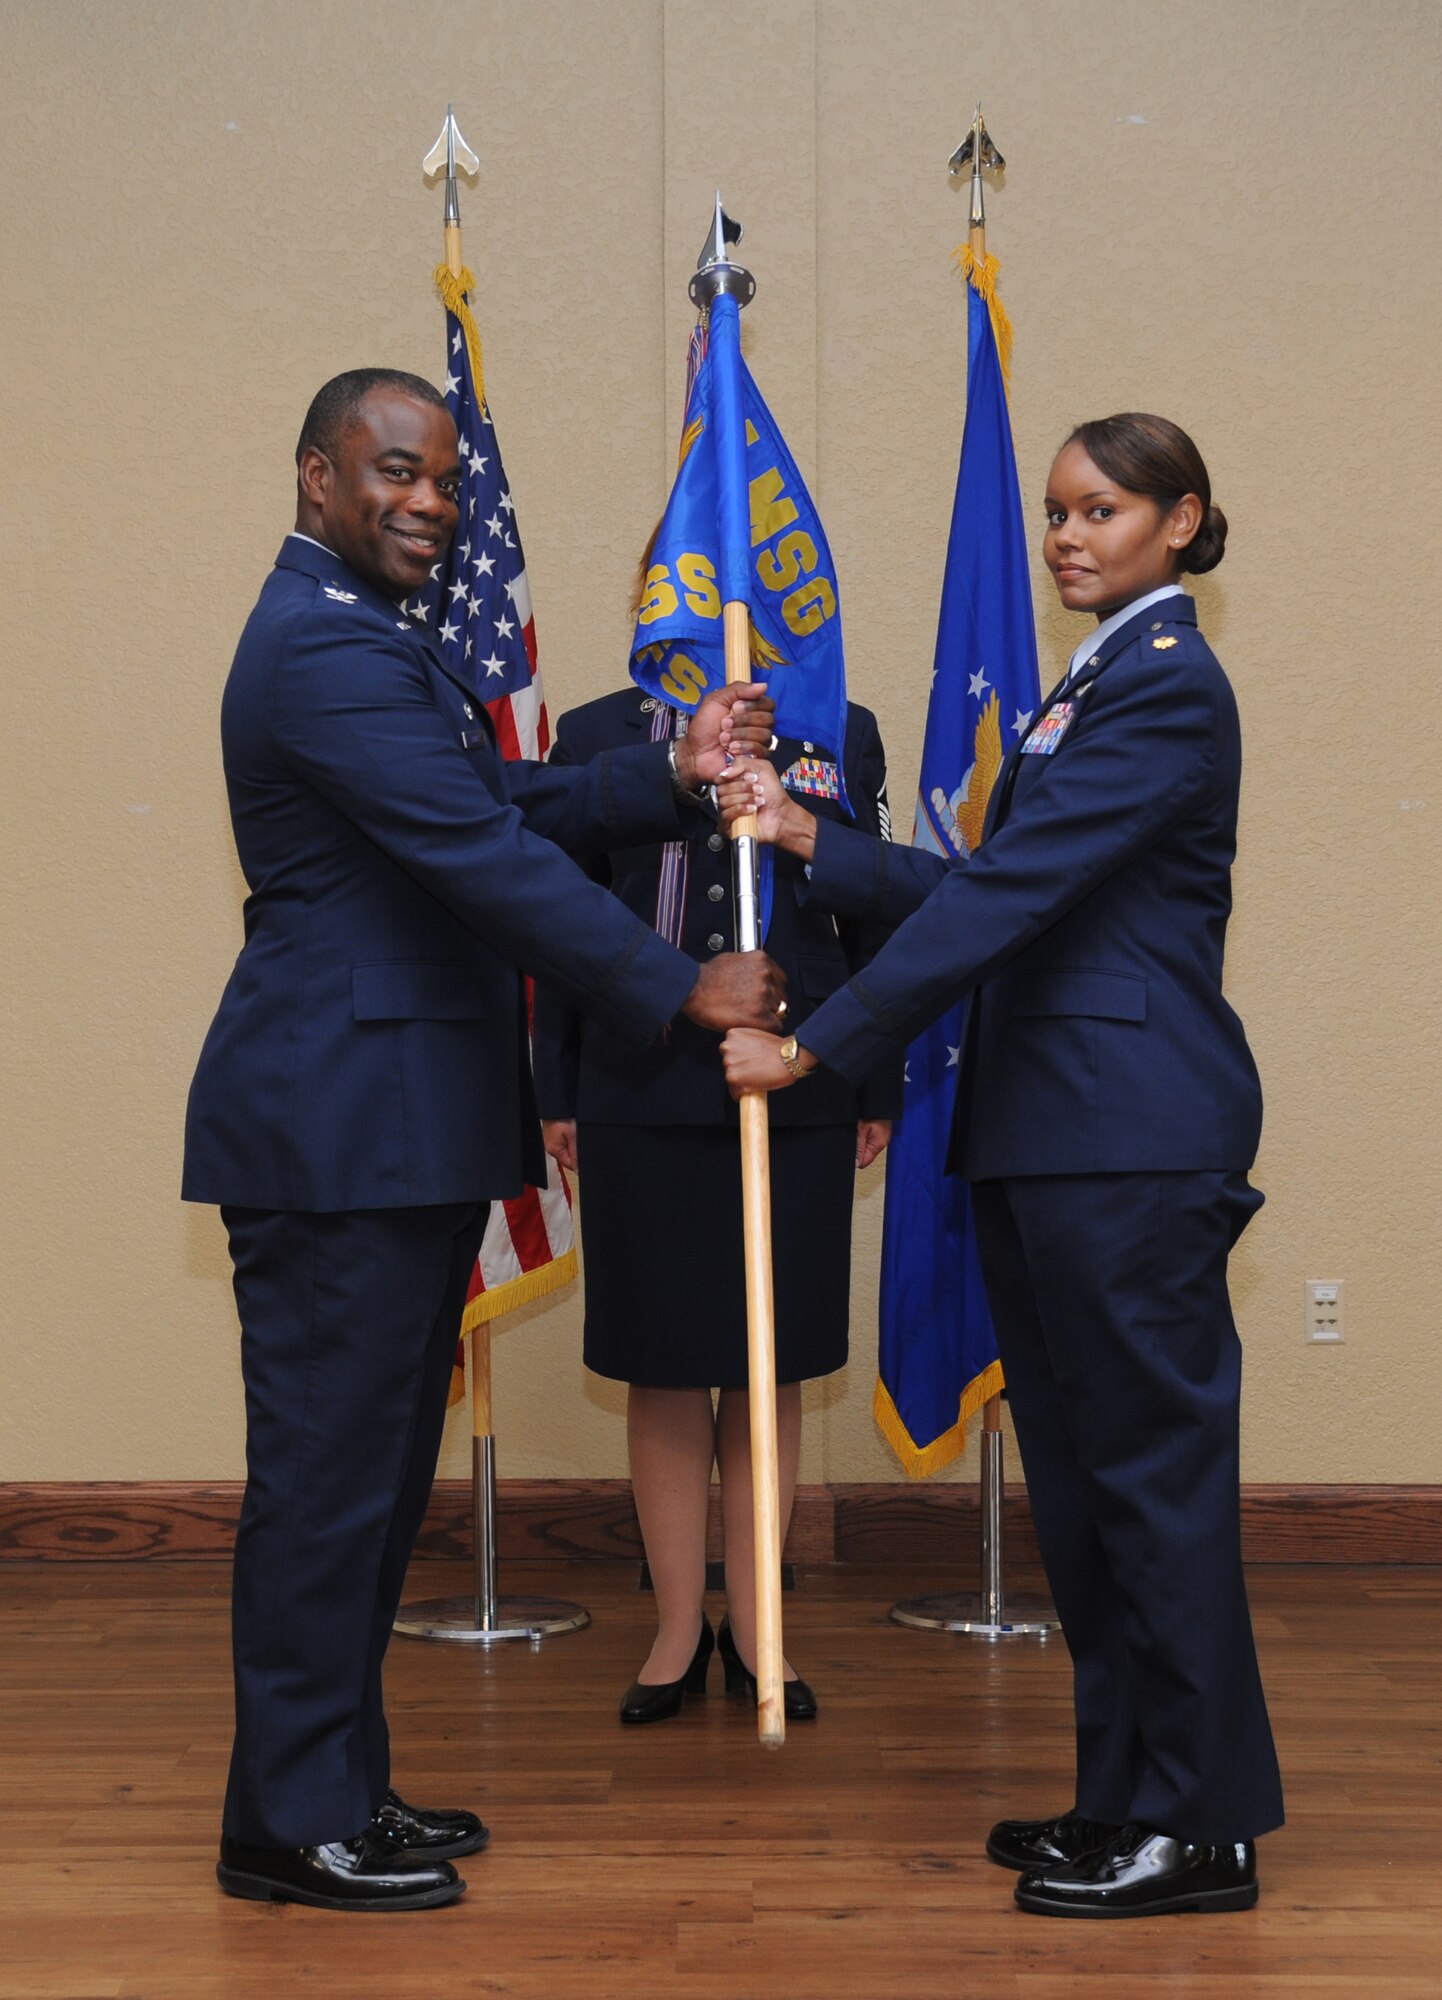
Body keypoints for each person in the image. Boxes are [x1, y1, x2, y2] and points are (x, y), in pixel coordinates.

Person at [182, 368, 785, 1913]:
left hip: (392, 1122)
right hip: (339, 1124)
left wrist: (656, 770)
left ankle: (334, 1787)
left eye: (445, 480)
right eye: (396, 472)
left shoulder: (365, 642)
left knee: (373, 1484)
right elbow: (475, 856)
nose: (431, 503)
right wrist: (676, 987)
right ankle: (289, 1823)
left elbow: (493, 796)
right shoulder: (320, 645)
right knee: (329, 1482)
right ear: (316, 475)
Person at [718, 414, 1283, 1919]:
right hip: (1052, 1131)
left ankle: (1201, 1823)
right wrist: (805, 834)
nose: (1066, 538)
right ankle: (1121, 1800)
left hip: (1128, 1131)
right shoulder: (1088, 685)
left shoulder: (1165, 689)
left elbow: (1012, 899)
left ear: (1182, 521)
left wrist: (816, 1044)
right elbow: (978, 886)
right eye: (1053, 514)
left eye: (1102, 511)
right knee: (1091, 1499)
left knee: (1149, 1490)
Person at [531, 669, 900, 1724]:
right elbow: (558, 921)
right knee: (660, 1362)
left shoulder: (840, 725)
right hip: (638, 1080)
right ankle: (678, 1627)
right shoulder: (599, 734)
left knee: (767, 1360)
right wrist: (557, 1086)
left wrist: (873, 1077)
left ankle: (758, 1626)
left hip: (798, 1076)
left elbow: (871, 909)